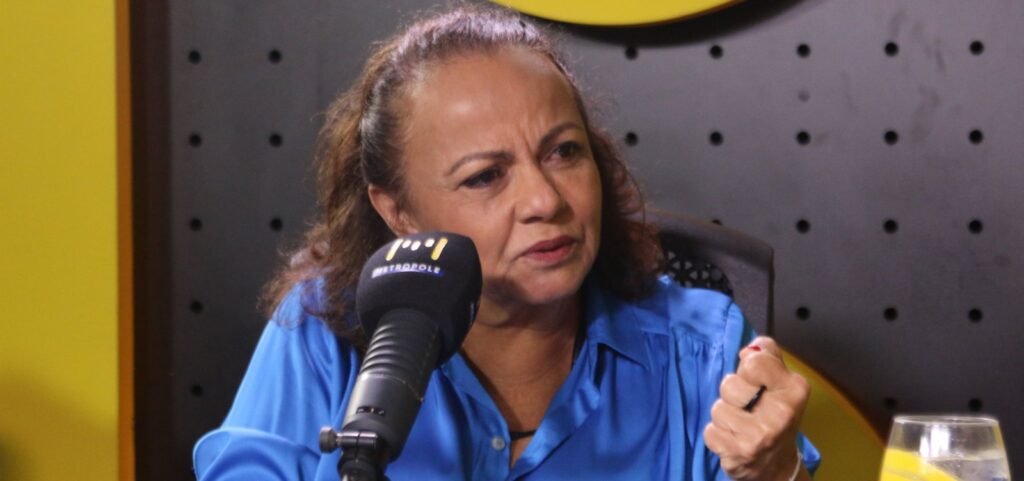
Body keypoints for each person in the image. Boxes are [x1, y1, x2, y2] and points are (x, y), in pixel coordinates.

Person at [193, 4, 821, 480]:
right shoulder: (321, 338)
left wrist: (776, 473)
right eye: (485, 176)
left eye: (564, 152)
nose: (545, 200)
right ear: (398, 212)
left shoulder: (706, 349)